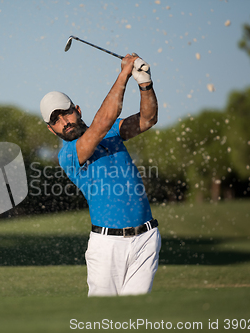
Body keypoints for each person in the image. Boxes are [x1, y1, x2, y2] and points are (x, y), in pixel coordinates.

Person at [39, 53, 161, 296]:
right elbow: (103, 122)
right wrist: (123, 74)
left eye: (66, 112)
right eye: (56, 120)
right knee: (102, 319)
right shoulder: (70, 155)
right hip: (107, 247)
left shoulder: (112, 132)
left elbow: (148, 119)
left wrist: (145, 83)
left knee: (134, 319)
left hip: (147, 238)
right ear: (51, 130)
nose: (64, 121)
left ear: (77, 110)